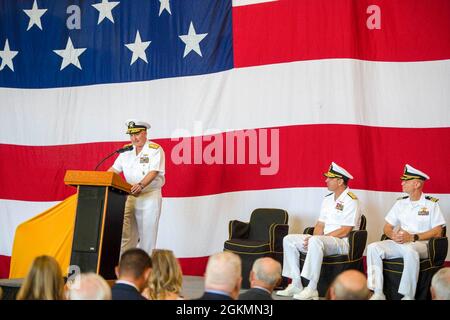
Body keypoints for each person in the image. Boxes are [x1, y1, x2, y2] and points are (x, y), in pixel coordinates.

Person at [277, 162, 361, 300]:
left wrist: (318, 239)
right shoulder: (327, 199)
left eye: (330, 178)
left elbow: (345, 230)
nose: (326, 180)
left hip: (342, 243)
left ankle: (312, 288)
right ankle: (296, 283)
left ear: (340, 181)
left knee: (316, 241)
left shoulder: (352, 200)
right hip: (324, 241)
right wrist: (313, 239)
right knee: (289, 239)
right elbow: (320, 224)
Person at [367, 164, 446, 300]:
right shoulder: (400, 203)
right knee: (373, 247)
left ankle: (408, 295)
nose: (402, 183)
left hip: (422, 244)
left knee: (410, 250)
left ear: (416, 184)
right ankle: (378, 292)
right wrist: (392, 235)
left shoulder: (431, 204)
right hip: (401, 242)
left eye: (406, 181)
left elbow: (438, 231)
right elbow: (386, 226)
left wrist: (414, 237)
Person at [108, 119, 165, 254]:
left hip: (149, 196)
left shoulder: (155, 150)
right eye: (131, 135)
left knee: (147, 237)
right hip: (129, 196)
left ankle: (146, 271)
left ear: (145, 133)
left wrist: (141, 185)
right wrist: (100, 180)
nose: (134, 138)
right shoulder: (126, 150)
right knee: (126, 235)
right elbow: (114, 170)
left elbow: (154, 171)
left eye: (137, 134)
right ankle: (127, 267)